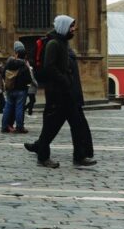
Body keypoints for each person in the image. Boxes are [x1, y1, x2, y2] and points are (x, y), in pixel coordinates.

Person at [24, 15, 95, 168]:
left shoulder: (63, 43)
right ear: (63, 27)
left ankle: (80, 156)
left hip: (67, 93)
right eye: (71, 26)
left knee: (77, 125)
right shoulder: (54, 44)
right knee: (51, 127)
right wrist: (64, 79)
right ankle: (43, 157)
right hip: (57, 93)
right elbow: (49, 67)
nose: (73, 29)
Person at [1, 42, 32, 134]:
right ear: (24, 56)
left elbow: (3, 74)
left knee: (7, 107)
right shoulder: (24, 66)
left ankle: (4, 126)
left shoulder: (9, 63)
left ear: (16, 54)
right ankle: (19, 127)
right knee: (19, 108)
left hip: (10, 89)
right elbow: (28, 79)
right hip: (21, 90)